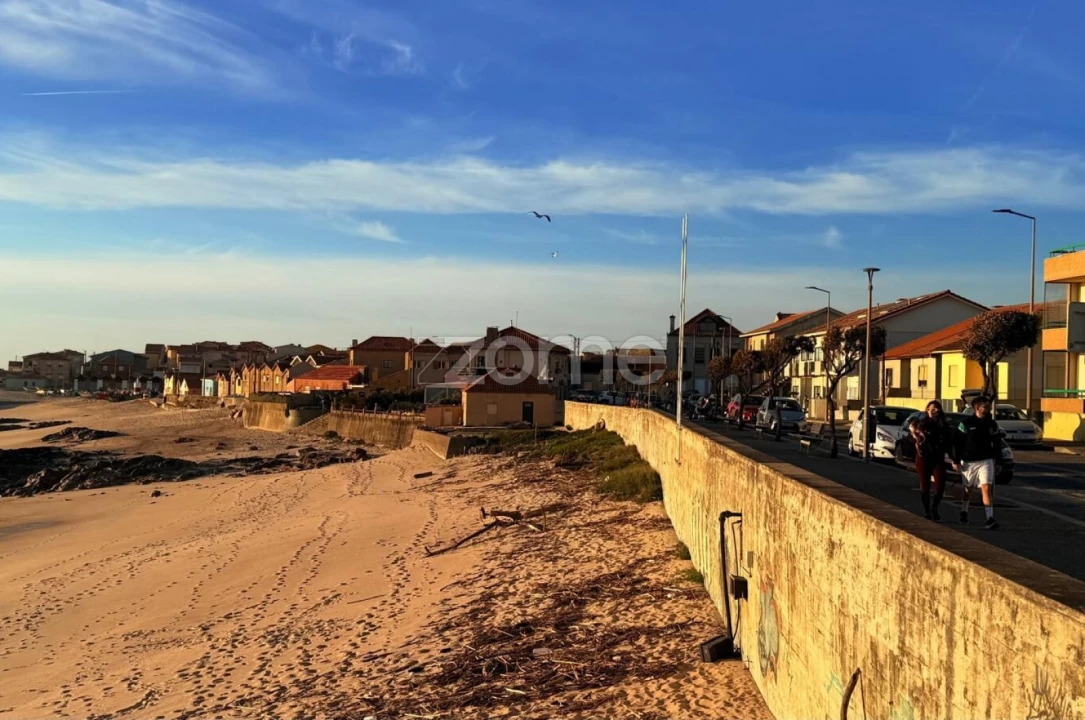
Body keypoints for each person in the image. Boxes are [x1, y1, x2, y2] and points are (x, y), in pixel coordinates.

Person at [951, 395, 1002, 530]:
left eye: (988, 406)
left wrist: (999, 462)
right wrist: (955, 460)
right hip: (968, 461)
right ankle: (964, 510)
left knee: (986, 488)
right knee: (968, 489)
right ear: (977, 408)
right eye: (985, 406)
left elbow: (997, 443)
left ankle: (989, 518)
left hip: (986, 461)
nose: (988, 409)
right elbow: (957, 442)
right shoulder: (966, 423)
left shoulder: (992, 424)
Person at [912, 401, 950, 521]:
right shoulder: (922, 423)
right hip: (923, 457)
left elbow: (948, 441)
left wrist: (954, 459)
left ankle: (934, 507)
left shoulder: (943, 424)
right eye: (932, 409)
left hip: (938, 457)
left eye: (937, 409)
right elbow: (913, 437)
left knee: (940, 485)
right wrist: (916, 436)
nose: (934, 411)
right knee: (925, 484)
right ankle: (927, 510)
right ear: (927, 410)